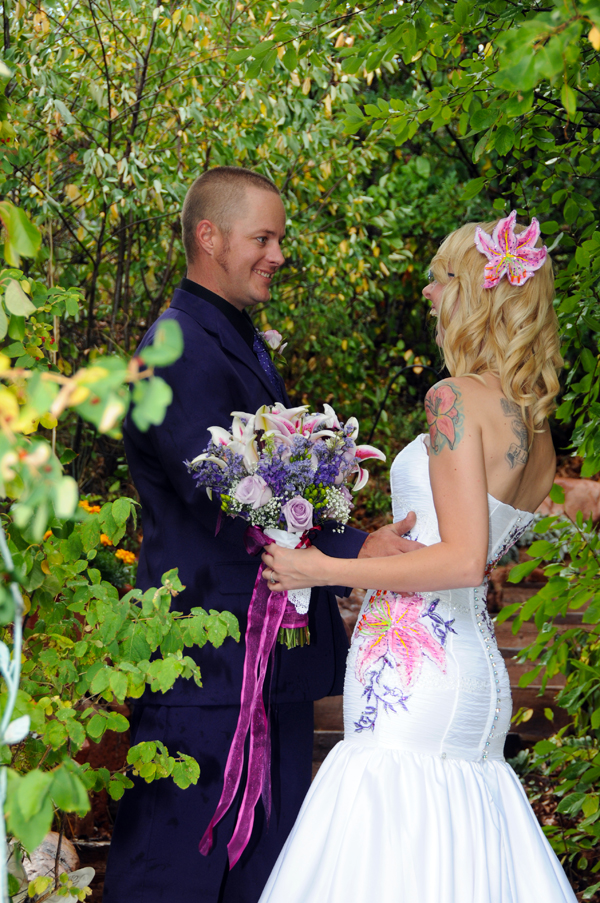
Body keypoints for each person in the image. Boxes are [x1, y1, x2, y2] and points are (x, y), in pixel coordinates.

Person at [103, 166, 417, 903]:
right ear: (208, 237)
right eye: (263, 237)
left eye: (279, 238)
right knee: (178, 866)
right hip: (206, 669)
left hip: (263, 656)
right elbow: (228, 499)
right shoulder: (178, 346)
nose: (277, 253)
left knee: (268, 870)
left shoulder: (232, 337)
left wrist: (355, 536)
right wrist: (355, 551)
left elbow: (284, 485)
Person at [259, 211, 577, 902]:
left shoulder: (452, 400)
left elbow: (463, 560)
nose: (429, 296)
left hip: (415, 683)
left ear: (474, 291)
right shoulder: (532, 424)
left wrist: (322, 568)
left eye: (439, 280)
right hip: (468, 671)